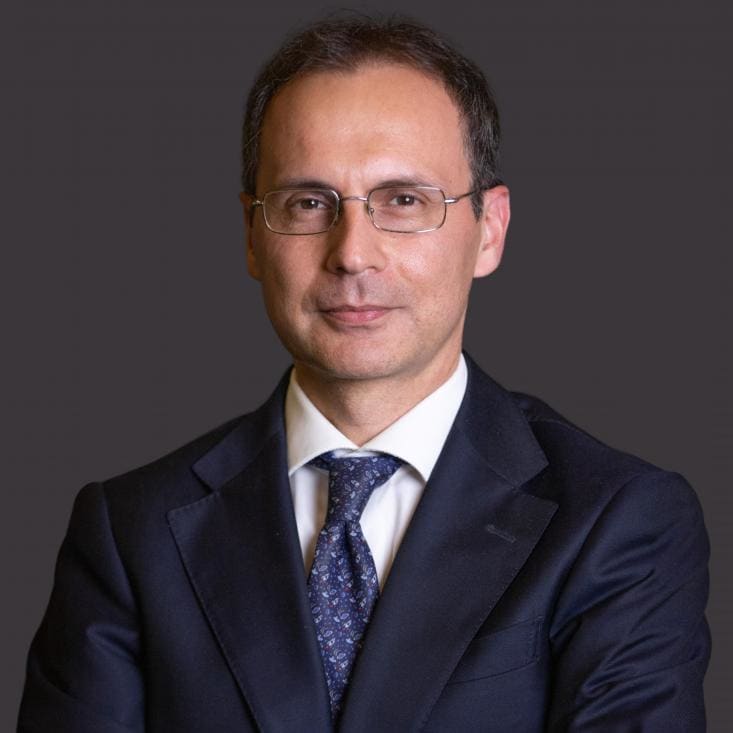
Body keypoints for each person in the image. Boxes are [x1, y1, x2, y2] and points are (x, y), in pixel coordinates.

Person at [18, 16, 710, 733]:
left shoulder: (616, 518)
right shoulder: (131, 532)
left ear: (490, 228)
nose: (352, 253)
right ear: (252, 235)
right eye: (307, 203)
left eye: (403, 200)